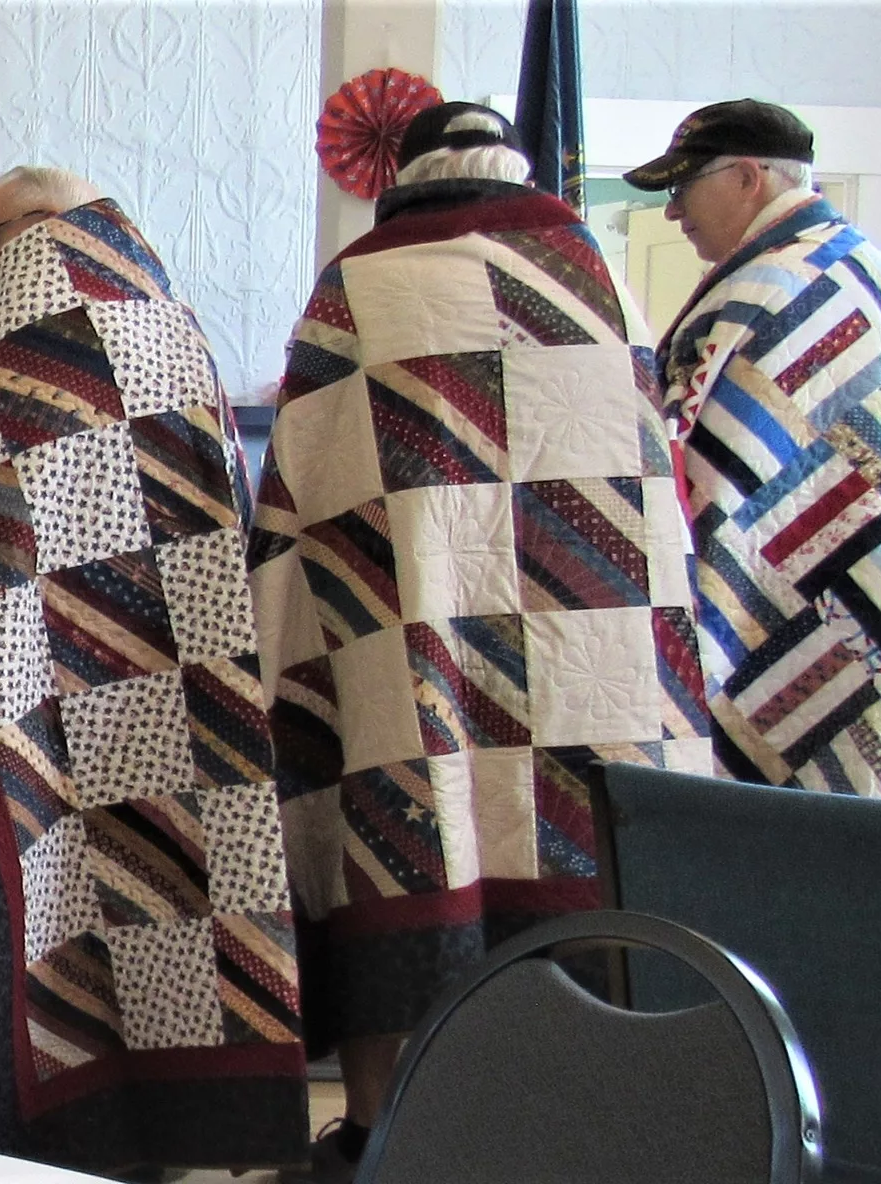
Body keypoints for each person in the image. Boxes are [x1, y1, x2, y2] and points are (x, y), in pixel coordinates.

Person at [252, 102, 705, 1181]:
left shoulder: (361, 282)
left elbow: (301, 501)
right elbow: (652, 487)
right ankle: (587, 1133)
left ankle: (383, 1134)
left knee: (402, 853)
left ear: (402, 176)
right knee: (585, 861)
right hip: (595, 638)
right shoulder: (594, 273)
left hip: (411, 640)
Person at [0, 166, 301, 1173]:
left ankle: (52, 1159)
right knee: (175, 907)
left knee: (50, 925)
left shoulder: (33, 338)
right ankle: (178, 1145)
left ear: (39, 228)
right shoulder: (177, 330)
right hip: (184, 694)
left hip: (44, 701)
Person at [633, 98, 881, 805]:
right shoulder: (880, 274)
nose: (672, 211)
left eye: (683, 186)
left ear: (748, 177)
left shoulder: (763, 291)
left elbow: (698, 481)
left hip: (773, 609)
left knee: (760, 824)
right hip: (860, 590)